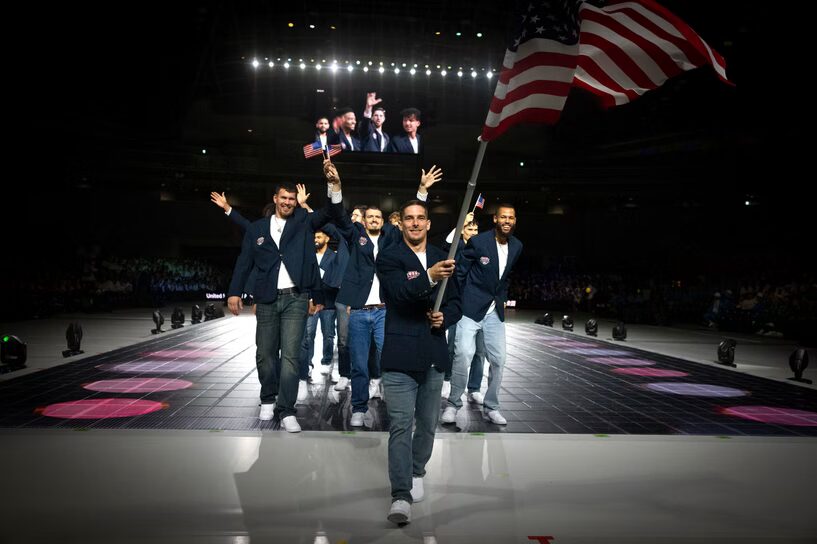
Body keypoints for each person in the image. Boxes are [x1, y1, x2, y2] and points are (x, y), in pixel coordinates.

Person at [226, 168, 343, 433]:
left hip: (296, 299)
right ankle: (268, 397)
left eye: (292, 198)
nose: (288, 202)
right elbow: (244, 262)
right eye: (284, 198)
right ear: (275, 198)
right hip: (266, 299)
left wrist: (333, 185)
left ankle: (287, 409)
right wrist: (234, 292)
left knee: (291, 357)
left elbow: (330, 212)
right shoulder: (257, 228)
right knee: (265, 354)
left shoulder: (303, 221)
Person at [331, 163, 443, 426]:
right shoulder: (355, 236)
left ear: (383, 222)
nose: (373, 221)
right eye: (369, 217)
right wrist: (335, 187)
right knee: (358, 362)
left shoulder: (391, 239)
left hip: (385, 310)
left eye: (378, 218)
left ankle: (392, 401)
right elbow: (338, 216)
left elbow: (412, 221)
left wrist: (422, 191)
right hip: (358, 310)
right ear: (363, 220)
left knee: (388, 359)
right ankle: (358, 407)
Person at [376, 199, 460, 525]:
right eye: (408, 218)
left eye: (420, 218)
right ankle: (400, 495)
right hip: (399, 356)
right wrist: (428, 277)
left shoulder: (444, 256)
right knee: (400, 425)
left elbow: (456, 301)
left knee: (426, 424)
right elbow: (398, 294)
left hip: (434, 353)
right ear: (402, 224)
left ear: (427, 223)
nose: (414, 223)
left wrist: (444, 317)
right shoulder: (389, 257)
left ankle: (416, 470)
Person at [441, 203, 522, 427]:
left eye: (511, 217)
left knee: (499, 359)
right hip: (470, 308)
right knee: (464, 355)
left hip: (494, 311)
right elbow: (459, 274)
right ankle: (453, 404)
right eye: (503, 217)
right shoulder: (479, 242)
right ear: (495, 219)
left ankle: (492, 407)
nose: (507, 221)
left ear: (514, 221)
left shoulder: (517, 246)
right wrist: (460, 302)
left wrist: (501, 299)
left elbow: (504, 277)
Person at [440, 212, 486, 402]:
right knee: (453, 346)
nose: (474, 232)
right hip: (457, 303)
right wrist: (461, 223)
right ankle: (448, 379)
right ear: (463, 232)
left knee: (480, 351)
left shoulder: (483, 249)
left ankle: (474, 388)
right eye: (469, 229)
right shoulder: (458, 246)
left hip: (479, 305)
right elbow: (447, 243)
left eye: (476, 229)